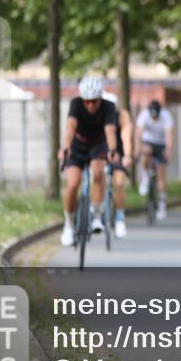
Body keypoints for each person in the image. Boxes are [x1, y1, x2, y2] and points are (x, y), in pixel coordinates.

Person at [57, 76, 119, 246]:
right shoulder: (76, 104)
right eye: (87, 101)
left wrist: (113, 150)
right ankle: (69, 224)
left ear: (100, 98)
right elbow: (70, 128)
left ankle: (96, 215)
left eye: (94, 101)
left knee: (98, 172)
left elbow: (110, 131)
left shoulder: (108, 106)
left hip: (98, 145)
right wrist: (65, 147)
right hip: (78, 144)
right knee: (72, 183)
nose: (91, 105)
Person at [136, 99, 174, 221]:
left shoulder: (166, 116)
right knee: (145, 152)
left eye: (156, 115)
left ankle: (162, 205)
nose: (154, 118)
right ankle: (145, 178)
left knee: (161, 174)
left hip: (161, 144)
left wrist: (168, 151)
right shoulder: (143, 116)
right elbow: (138, 134)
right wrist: (138, 149)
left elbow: (169, 136)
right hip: (148, 141)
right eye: (152, 116)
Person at [103, 93, 134, 238]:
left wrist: (127, 155)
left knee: (119, 182)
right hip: (100, 152)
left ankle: (120, 219)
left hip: (118, 154)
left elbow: (126, 137)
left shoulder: (122, 116)